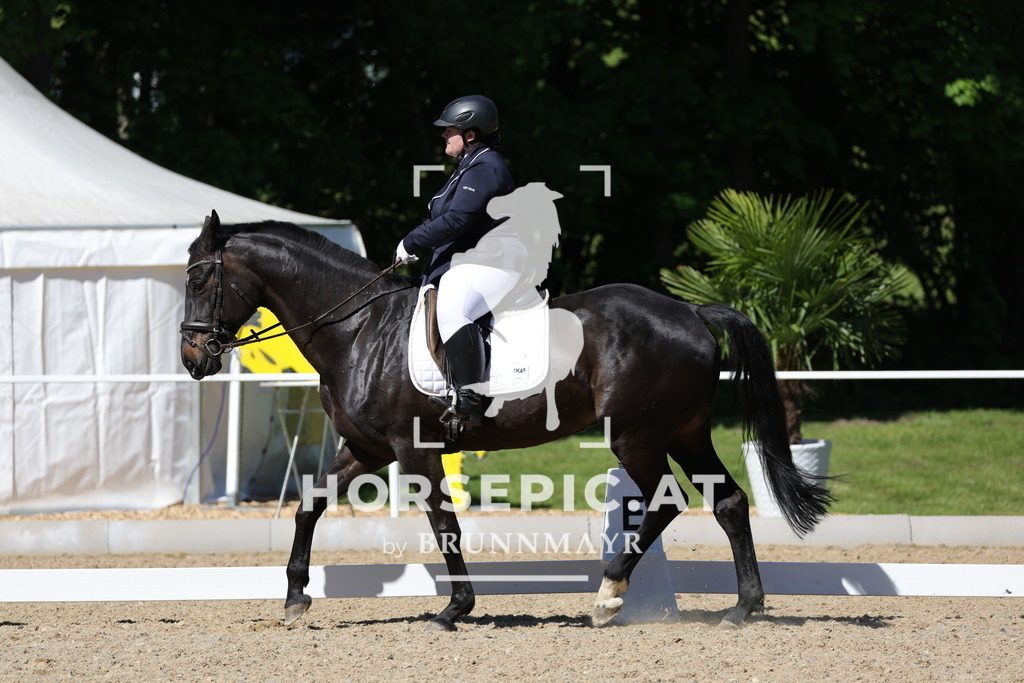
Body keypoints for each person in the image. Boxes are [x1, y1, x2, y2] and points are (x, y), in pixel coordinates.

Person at [396, 95, 515, 425]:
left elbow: (457, 221)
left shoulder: (486, 167)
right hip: (471, 261)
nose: (444, 135)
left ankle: (469, 399)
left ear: (471, 134)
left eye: (449, 131)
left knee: (453, 307)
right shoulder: (469, 166)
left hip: (494, 262)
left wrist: (412, 240)